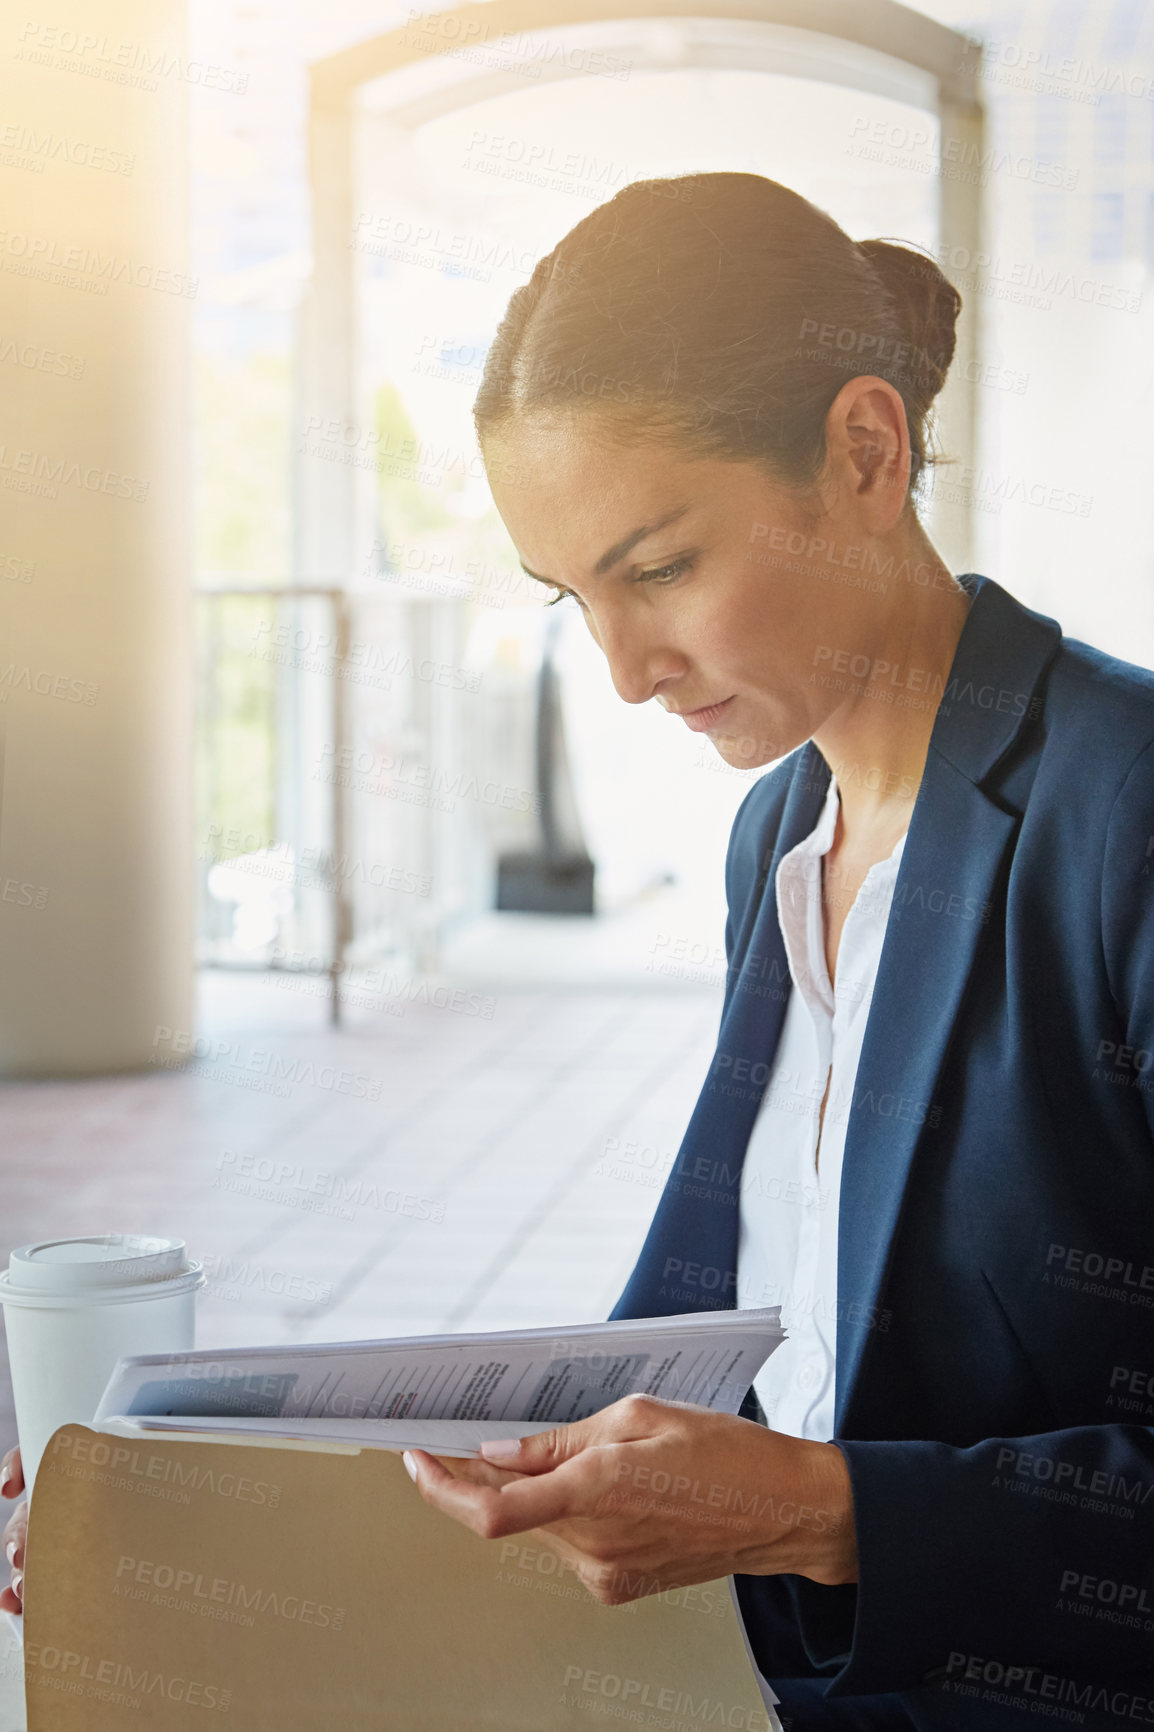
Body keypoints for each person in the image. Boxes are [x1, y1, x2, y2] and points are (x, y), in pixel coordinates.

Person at [393, 174, 1154, 1730]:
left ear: (864, 453)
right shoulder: (783, 829)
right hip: (759, 1666)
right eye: (572, 598)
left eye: (659, 568)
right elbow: (789, 1309)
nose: (618, 673)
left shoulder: (1123, 812)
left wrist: (826, 1512)